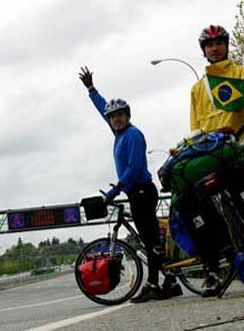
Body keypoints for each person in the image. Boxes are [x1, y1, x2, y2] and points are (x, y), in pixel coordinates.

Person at [79, 66, 182, 303]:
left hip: (143, 191)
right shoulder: (119, 134)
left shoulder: (133, 135)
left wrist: (114, 191)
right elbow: (102, 108)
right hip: (136, 193)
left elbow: (134, 169)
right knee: (149, 240)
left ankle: (154, 284)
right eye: (112, 116)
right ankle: (170, 282)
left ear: (127, 116)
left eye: (120, 115)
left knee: (150, 241)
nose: (115, 119)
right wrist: (91, 89)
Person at [180, 24, 244, 297]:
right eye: (209, 45)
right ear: (204, 51)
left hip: (240, 149)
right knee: (193, 203)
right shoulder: (197, 89)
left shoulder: (240, 72)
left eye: (219, 42)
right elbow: (195, 130)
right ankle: (213, 266)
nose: (215, 48)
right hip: (212, 157)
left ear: (226, 46)